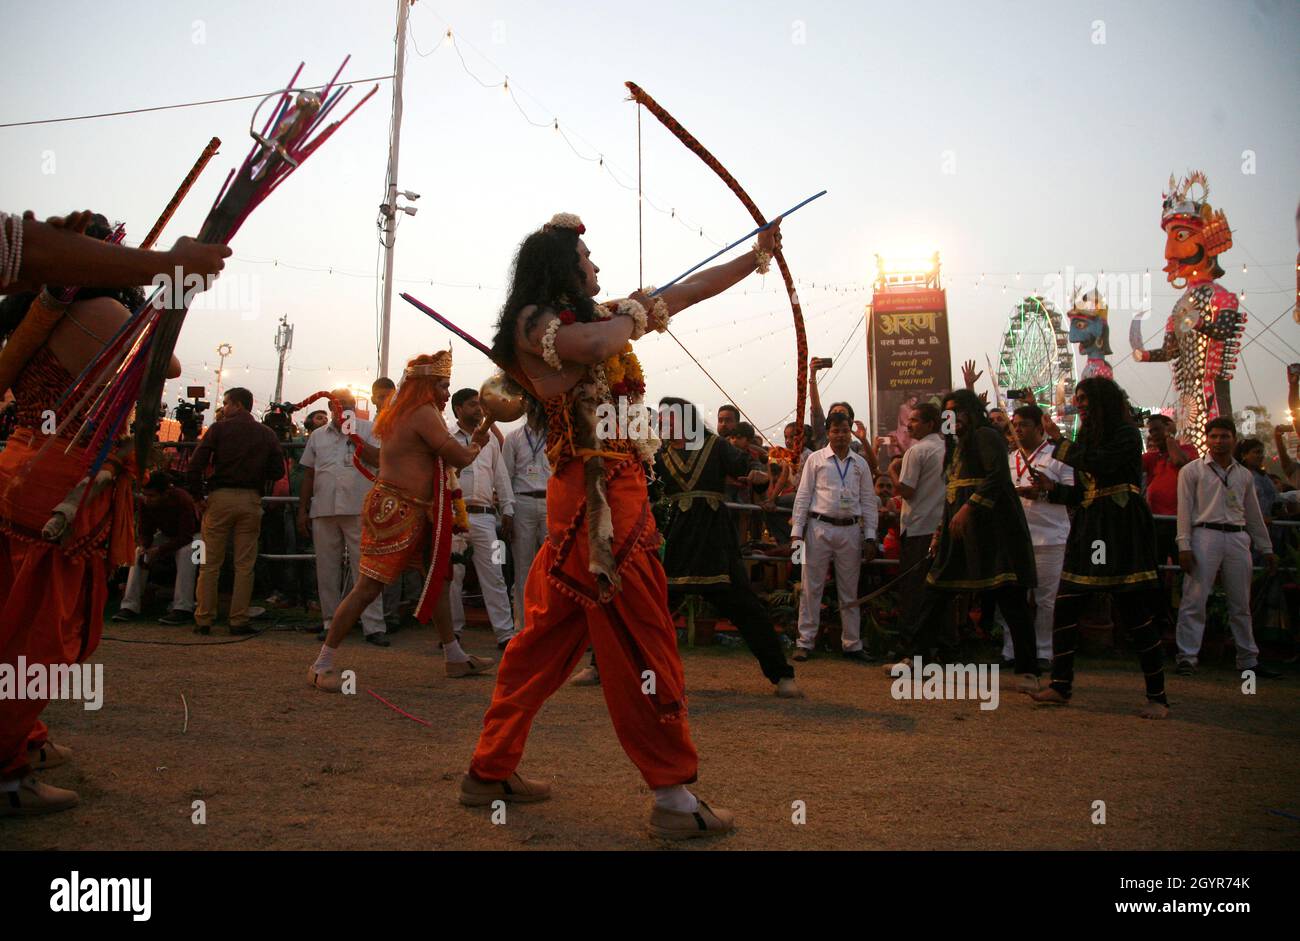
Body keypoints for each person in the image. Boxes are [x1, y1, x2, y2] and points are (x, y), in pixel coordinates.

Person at [462, 211, 783, 840]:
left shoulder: (590, 315)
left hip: (605, 496)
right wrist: (635, 313)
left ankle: (489, 770)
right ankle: (671, 797)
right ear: (562, 268)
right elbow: (593, 348)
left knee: (542, 646)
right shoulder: (539, 325)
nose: (598, 268)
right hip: (597, 507)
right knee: (641, 635)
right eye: (588, 259)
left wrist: (754, 258)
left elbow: (685, 293)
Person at [0, 244, 196, 816]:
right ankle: (8, 769)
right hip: (62, 480)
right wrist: (152, 306)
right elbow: (167, 367)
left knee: (17, 620)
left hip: (22, 465)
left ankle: (24, 739)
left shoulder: (44, 313)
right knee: (42, 634)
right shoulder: (100, 312)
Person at [306, 351, 495, 689]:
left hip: (413, 509)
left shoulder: (400, 412)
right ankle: (321, 664)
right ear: (425, 385)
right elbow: (459, 457)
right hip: (399, 509)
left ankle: (454, 657)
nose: (447, 394)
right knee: (368, 587)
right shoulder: (423, 413)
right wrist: (479, 441)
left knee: (439, 580)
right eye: (442, 385)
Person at [1030, 377, 1171, 718]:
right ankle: (1061, 686)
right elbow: (1081, 493)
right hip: (1091, 526)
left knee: (1133, 609)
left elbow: (1099, 463)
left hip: (1119, 526)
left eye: (1084, 398)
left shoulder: (1125, 435)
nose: (1079, 404)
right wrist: (1051, 490)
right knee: (1066, 603)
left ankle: (1158, 697)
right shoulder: (1085, 439)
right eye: (1077, 398)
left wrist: (1058, 442)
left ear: (1102, 401)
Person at [887, 390, 1041, 690]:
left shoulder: (986, 435)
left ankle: (1028, 671)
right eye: (948, 412)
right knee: (934, 590)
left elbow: (997, 478)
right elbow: (952, 493)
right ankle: (915, 660)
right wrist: (942, 529)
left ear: (971, 411)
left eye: (957, 410)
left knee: (1010, 598)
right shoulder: (955, 446)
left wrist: (970, 508)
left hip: (994, 530)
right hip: (958, 530)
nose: (952, 417)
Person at [656, 398, 801, 696]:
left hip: (714, 542)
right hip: (677, 542)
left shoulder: (715, 446)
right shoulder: (658, 456)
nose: (660, 424)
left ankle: (782, 677)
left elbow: (747, 463)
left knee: (746, 608)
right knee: (645, 608)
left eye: (667, 418)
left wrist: (758, 474)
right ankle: (606, 668)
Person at [1173, 418, 1279, 677]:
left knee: (1241, 602)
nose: (1219, 442)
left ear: (1234, 439)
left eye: (1224, 436)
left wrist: (1266, 548)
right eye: (1214, 436)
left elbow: (1253, 514)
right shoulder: (1192, 471)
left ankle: (1248, 660)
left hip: (1236, 536)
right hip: (1203, 535)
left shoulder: (1243, 475)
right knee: (1194, 598)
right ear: (1207, 439)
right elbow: (1184, 511)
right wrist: (1184, 545)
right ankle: (1187, 657)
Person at [187, 387, 284, 635]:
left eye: (227, 403)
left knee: (209, 562)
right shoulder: (267, 433)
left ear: (238, 405)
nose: (225, 408)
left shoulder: (219, 429)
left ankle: (204, 618)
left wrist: (198, 497)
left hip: (220, 498)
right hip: (251, 499)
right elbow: (277, 471)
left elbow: (195, 465)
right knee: (245, 564)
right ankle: (238, 619)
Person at [297, 389, 388, 646]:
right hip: (324, 509)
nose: (345, 408)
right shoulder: (317, 436)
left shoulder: (369, 428)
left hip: (359, 509)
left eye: (349, 404)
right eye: (339, 404)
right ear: (330, 406)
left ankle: (373, 626)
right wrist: (302, 510)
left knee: (366, 569)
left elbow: (379, 460)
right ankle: (330, 622)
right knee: (326, 568)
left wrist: (355, 437)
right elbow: (309, 475)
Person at [790, 411, 878, 662]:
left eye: (845, 430)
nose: (840, 435)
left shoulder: (860, 464)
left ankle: (852, 644)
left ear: (850, 432)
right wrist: (797, 533)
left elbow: (869, 502)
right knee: (811, 587)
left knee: (850, 590)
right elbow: (803, 496)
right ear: (828, 433)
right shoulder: (816, 460)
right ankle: (805, 642)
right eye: (836, 431)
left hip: (850, 530)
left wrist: (870, 536)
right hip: (818, 528)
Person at [1000, 404, 1075, 668]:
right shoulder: (1011, 459)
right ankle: (1011, 650)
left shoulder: (1060, 456)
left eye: (1023, 424)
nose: (1017, 430)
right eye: (1015, 424)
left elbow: (1073, 492)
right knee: (1014, 597)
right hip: (1017, 537)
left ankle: (1044, 651)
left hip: (1050, 536)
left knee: (1046, 599)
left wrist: (1045, 490)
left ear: (1039, 427)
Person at [448, 387, 517, 649]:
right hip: (455, 516)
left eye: (480, 404)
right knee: (453, 576)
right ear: (458, 409)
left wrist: (508, 510)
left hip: (486, 519)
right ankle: (452, 634)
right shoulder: (446, 438)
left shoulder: (489, 443)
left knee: (495, 574)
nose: (479, 409)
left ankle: (505, 634)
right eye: (472, 404)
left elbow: (500, 477)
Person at [889, 403, 945, 648]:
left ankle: (910, 648)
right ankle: (941, 646)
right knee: (938, 592)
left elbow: (907, 491)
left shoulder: (916, 451)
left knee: (913, 592)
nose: (908, 425)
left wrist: (892, 471)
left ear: (930, 424)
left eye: (914, 420)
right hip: (942, 529)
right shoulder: (948, 449)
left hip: (919, 529)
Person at [113, 471, 200, 624]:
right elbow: (145, 531)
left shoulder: (182, 499)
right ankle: (129, 606)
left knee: (188, 552)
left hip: (196, 537)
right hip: (169, 535)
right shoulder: (145, 502)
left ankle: (182, 608)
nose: (147, 499)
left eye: (152, 496)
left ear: (165, 493)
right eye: (145, 495)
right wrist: (145, 546)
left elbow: (187, 535)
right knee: (139, 552)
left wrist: (159, 551)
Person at [501, 403, 550, 633]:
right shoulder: (513, 438)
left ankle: (549, 622)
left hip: (551, 502)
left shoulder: (557, 436)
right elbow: (506, 477)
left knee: (552, 564)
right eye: (532, 407)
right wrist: (507, 511)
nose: (536, 411)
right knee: (523, 566)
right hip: (522, 502)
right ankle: (523, 625)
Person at [1142, 413, 1196, 561]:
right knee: (1156, 566)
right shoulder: (1152, 457)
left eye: (1157, 429)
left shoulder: (1188, 449)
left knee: (1182, 567)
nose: (1153, 434)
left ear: (1168, 427)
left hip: (1181, 522)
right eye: (1151, 431)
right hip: (1156, 521)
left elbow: (1179, 461)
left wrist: (1169, 437)